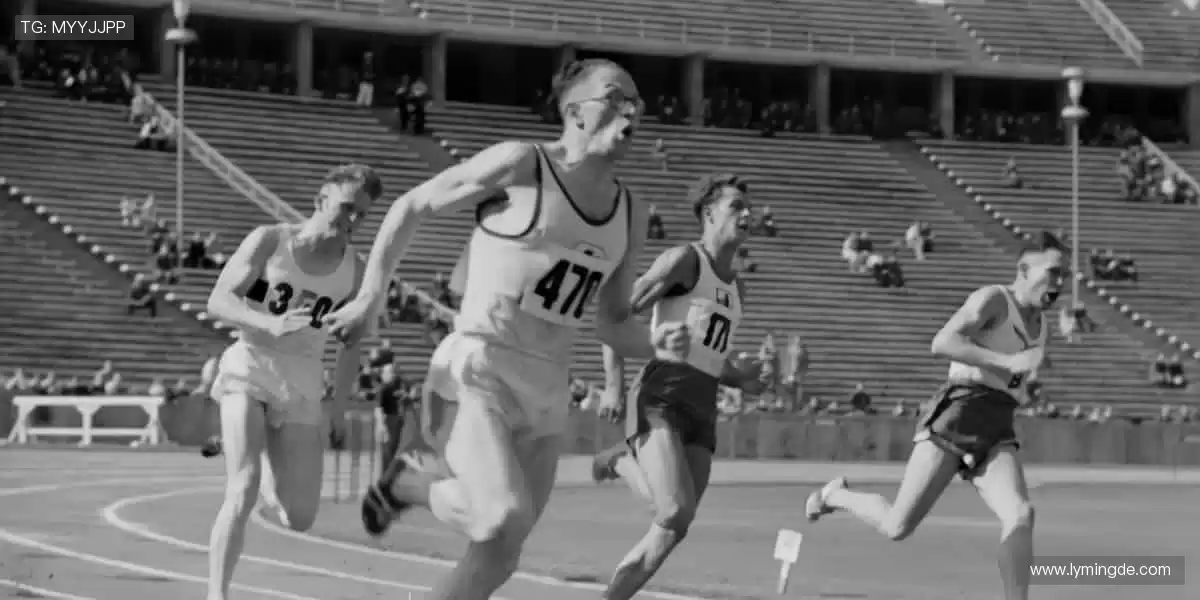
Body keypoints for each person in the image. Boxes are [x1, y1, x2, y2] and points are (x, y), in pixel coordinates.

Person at [322, 58, 689, 600]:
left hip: (548, 390)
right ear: (575, 112)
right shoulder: (523, 164)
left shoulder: (630, 212)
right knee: (501, 517)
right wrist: (370, 295)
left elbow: (613, 323)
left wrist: (657, 342)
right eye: (614, 97)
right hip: (480, 368)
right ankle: (412, 482)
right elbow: (413, 205)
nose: (630, 111)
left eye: (635, 102)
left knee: (502, 552)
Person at [804, 231, 1067, 600]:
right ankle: (836, 496)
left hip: (998, 422)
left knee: (1021, 513)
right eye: (1053, 272)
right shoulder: (994, 300)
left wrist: (1025, 383)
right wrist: (1007, 362)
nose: (1059, 283)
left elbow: (1013, 377)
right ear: (1024, 270)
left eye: (1063, 275)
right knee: (897, 526)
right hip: (958, 412)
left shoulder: (1043, 327)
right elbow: (943, 342)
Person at [204, 164, 382, 600]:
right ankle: (216, 594)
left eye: (362, 214)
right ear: (321, 199)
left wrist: (337, 410)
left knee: (299, 517)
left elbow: (351, 345)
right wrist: (270, 322)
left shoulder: (357, 272)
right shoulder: (271, 240)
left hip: (303, 378)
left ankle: (264, 449)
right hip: (251, 361)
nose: (353, 220)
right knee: (242, 487)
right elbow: (219, 300)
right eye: (346, 208)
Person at [591, 173, 752, 600]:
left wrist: (744, 378)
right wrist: (612, 384)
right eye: (736, 206)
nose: (747, 214)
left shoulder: (738, 288)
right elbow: (615, 315)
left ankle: (621, 463)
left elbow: (711, 357)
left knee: (675, 525)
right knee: (674, 509)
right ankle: (621, 461)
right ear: (709, 213)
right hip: (661, 396)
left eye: (748, 207)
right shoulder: (684, 260)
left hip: (703, 406)